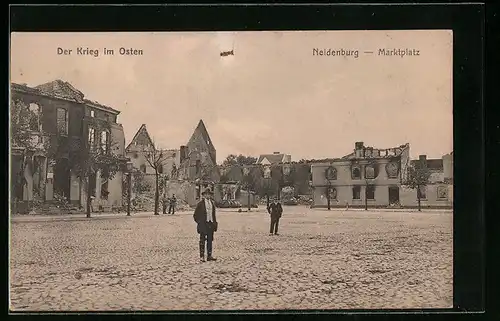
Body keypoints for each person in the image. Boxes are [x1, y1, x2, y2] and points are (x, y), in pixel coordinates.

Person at [193, 188, 218, 262]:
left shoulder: (212, 203)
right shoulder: (200, 204)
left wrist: (214, 223)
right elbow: (195, 215)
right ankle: (202, 256)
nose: (208, 195)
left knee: (210, 240)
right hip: (203, 224)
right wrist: (199, 222)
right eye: (206, 194)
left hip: (210, 223)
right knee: (202, 240)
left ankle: (209, 255)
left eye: (209, 194)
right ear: (204, 195)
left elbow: (213, 214)